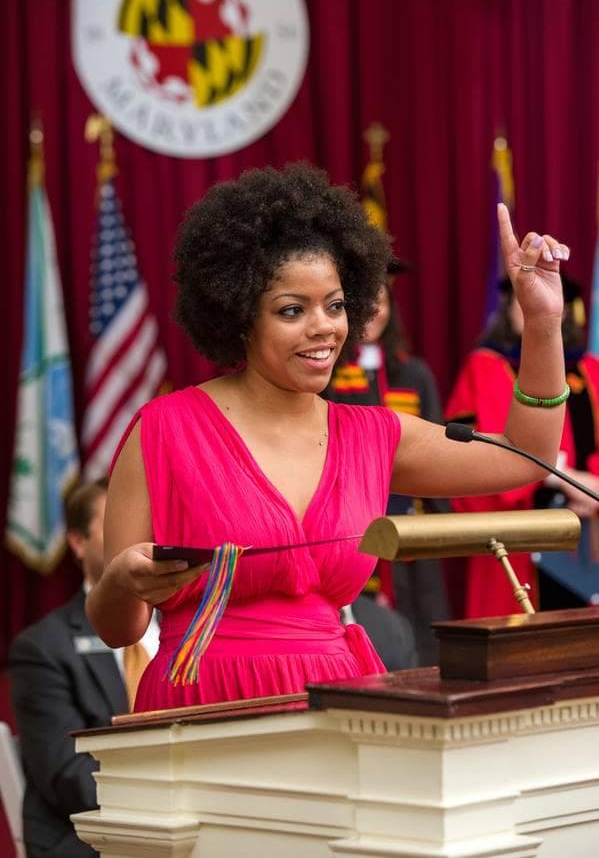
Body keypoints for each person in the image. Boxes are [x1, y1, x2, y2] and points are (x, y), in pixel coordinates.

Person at [85, 162, 570, 712]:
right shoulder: (164, 430)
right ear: (239, 315)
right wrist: (122, 583)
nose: (324, 327)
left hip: (336, 703)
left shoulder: (373, 434)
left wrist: (543, 324)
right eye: (293, 310)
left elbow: (527, 457)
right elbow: (118, 630)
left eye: (336, 305)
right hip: (204, 706)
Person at [8, 480, 159, 858]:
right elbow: (68, 778)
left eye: (142, 526)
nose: (134, 541)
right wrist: (167, 804)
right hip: (89, 839)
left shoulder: (190, 630)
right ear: (77, 542)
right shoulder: (42, 648)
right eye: (115, 527)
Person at [445, 274, 599, 618]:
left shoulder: (589, 369)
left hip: (587, 539)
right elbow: (488, 454)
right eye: (523, 300)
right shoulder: (486, 365)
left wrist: (594, 492)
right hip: (519, 533)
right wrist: (567, 480)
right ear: (507, 308)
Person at [324, 272, 450, 665]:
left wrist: (442, 527)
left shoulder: (413, 374)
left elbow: (440, 451)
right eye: (366, 301)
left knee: (424, 633)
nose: (376, 312)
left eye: (383, 301)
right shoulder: (326, 376)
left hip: (411, 530)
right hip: (354, 529)